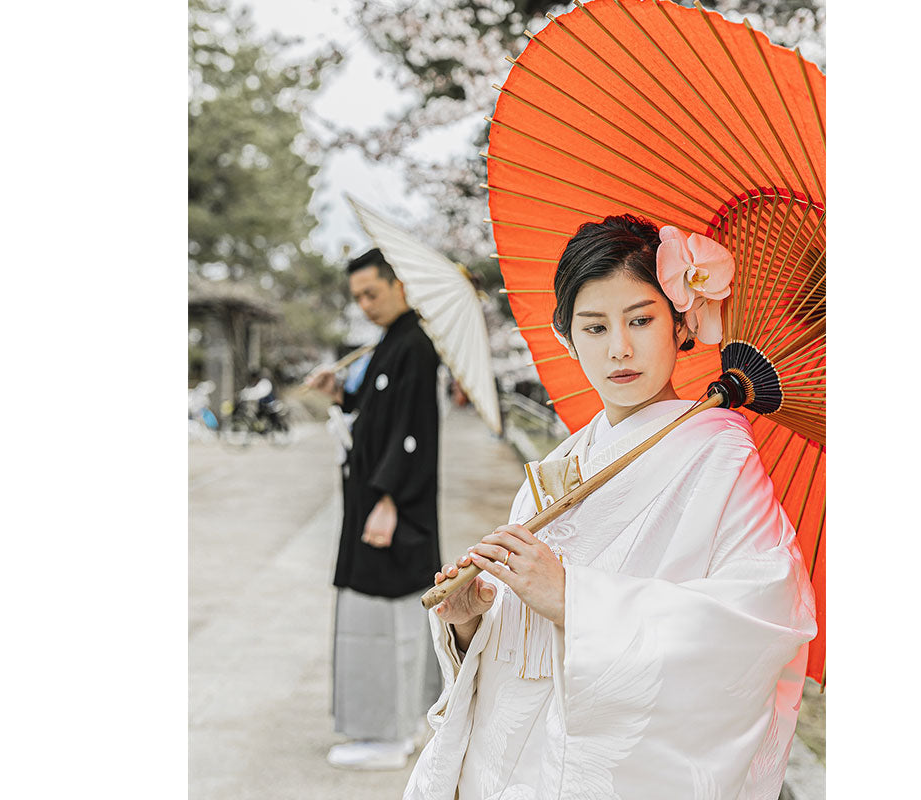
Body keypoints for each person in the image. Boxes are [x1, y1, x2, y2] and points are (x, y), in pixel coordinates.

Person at [403, 216, 817, 799]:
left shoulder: (719, 453)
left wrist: (574, 598)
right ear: (568, 337)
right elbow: (521, 637)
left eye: (642, 320)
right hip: (505, 760)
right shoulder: (568, 459)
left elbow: (757, 618)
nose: (619, 348)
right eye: (594, 327)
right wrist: (475, 623)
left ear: (681, 323)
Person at [308, 247, 443, 770]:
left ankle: (388, 735)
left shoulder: (415, 345)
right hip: (377, 500)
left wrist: (388, 498)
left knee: (384, 615)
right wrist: (342, 394)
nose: (364, 304)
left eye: (372, 293)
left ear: (398, 284)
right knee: (385, 613)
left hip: (392, 507)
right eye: (358, 297)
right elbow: (377, 420)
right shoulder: (390, 343)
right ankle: (401, 723)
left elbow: (413, 433)